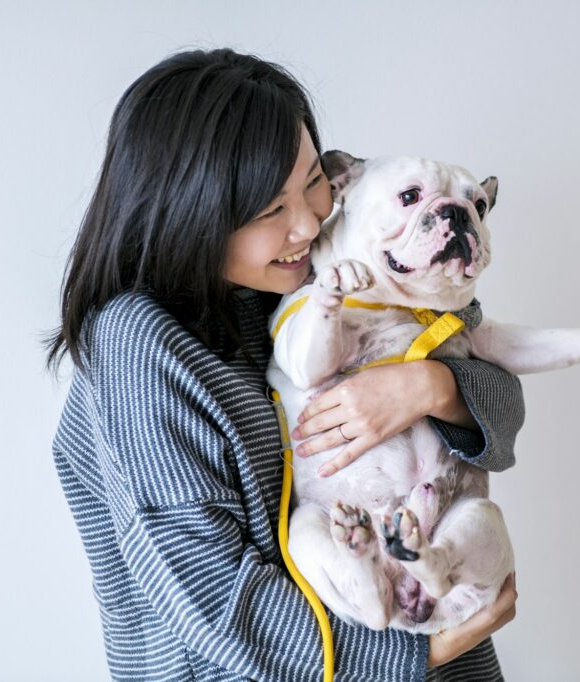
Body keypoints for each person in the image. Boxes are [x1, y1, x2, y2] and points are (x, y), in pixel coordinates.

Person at [45, 48, 525, 682]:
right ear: (189, 212)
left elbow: (506, 416)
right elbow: (215, 599)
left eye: (311, 184)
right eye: (271, 210)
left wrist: (430, 386)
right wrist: (420, 656)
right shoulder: (140, 348)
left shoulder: (305, 278)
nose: (308, 222)